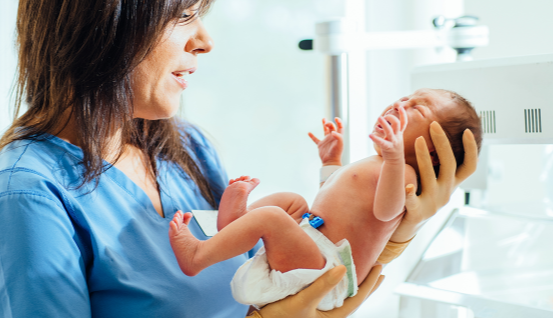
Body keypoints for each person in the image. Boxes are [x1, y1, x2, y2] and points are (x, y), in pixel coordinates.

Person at [0, 0, 479, 317]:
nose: (205, 40)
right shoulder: (24, 200)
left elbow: (285, 272)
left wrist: (397, 227)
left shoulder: (185, 151)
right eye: (185, 15)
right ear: (109, 23)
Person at [168, 89, 482, 311]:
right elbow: (331, 196)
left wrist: (395, 159)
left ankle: (198, 256)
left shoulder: (404, 174)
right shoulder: (377, 164)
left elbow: (387, 212)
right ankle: (233, 225)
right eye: (406, 97)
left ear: (433, 151)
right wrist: (331, 160)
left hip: (329, 273)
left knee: (274, 219)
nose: (402, 103)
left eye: (418, 108)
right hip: (314, 247)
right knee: (291, 202)